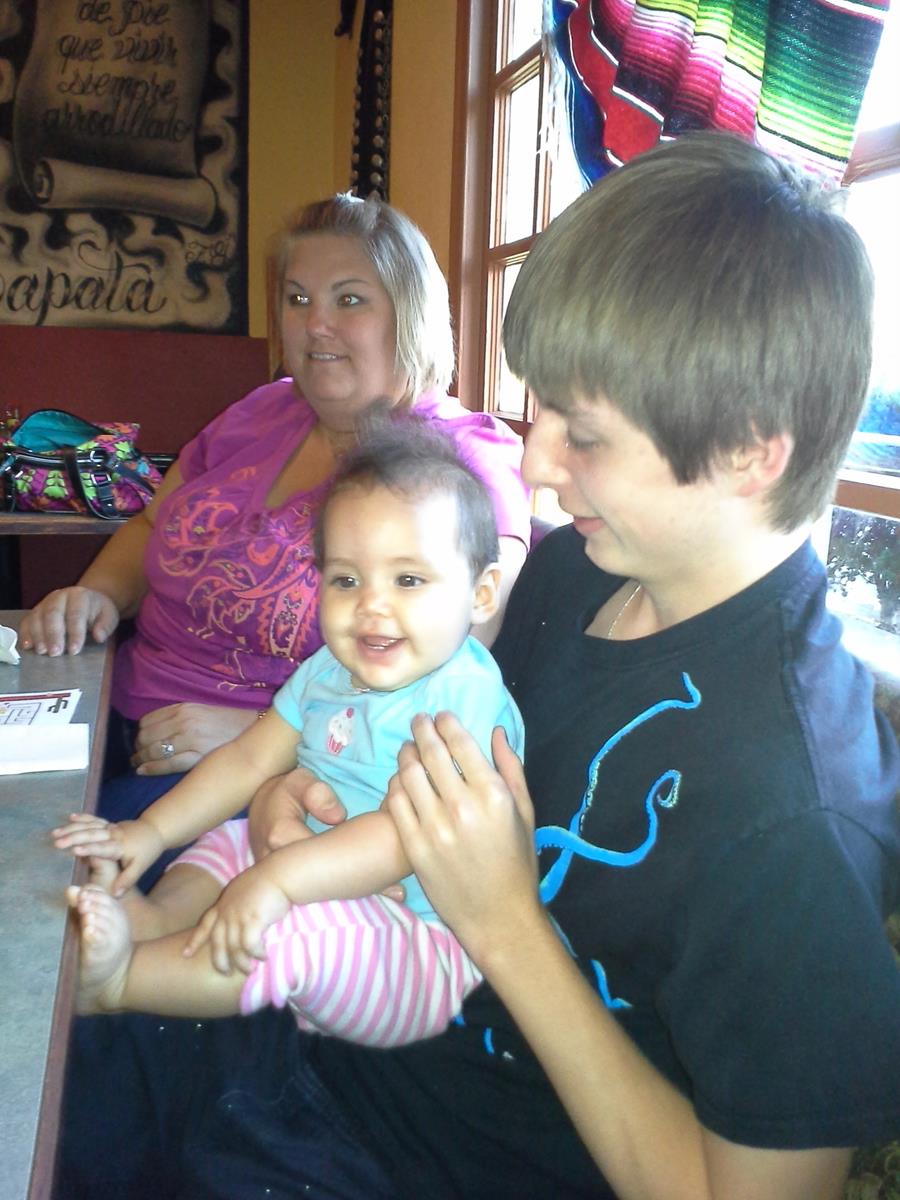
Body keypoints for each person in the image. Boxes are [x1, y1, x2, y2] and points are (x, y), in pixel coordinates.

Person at [53, 133, 900, 1200]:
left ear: (748, 451)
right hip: (304, 1021)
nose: (535, 461)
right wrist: (284, 800)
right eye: (540, 411)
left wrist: (503, 924)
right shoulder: (575, 573)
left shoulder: (797, 818)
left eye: (584, 435)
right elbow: (372, 727)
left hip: (415, 1160)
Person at [20, 194, 530, 862]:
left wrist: (264, 731)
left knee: (43, 875)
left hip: (267, 778)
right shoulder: (260, 411)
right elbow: (150, 522)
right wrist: (96, 595)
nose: (316, 324)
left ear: (411, 315)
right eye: (297, 299)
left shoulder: (463, 462)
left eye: (350, 299)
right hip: (107, 704)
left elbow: (448, 663)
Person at [54, 421, 524, 1048]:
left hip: (416, 943)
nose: (371, 606)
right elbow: (250, 760)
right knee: (225, 846)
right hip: (310, 867)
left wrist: (279, 881)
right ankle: (158, 922)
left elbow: (407, 839)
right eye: (346, 580)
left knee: (293, 931)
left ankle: (120, 984)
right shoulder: (327, 671)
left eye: (408, 580)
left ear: (482, 593)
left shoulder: (462, 698)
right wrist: (153, 831)